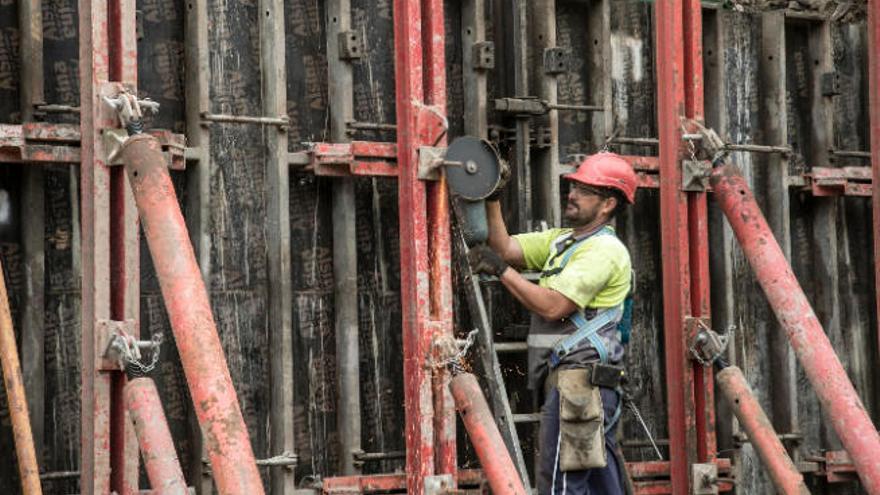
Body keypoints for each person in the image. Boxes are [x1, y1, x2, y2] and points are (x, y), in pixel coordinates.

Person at [467, 152, 637, 495]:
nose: (571, 194)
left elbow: (553, 306)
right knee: (603, 487)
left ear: (607, 205)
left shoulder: (603, 251)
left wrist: (501, 272)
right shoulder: (564, 241)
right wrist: (494, 197)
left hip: (581, 386)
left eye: (583, 190)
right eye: (573, 186)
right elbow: (507, 247)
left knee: (560, 484)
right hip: (580, 386)